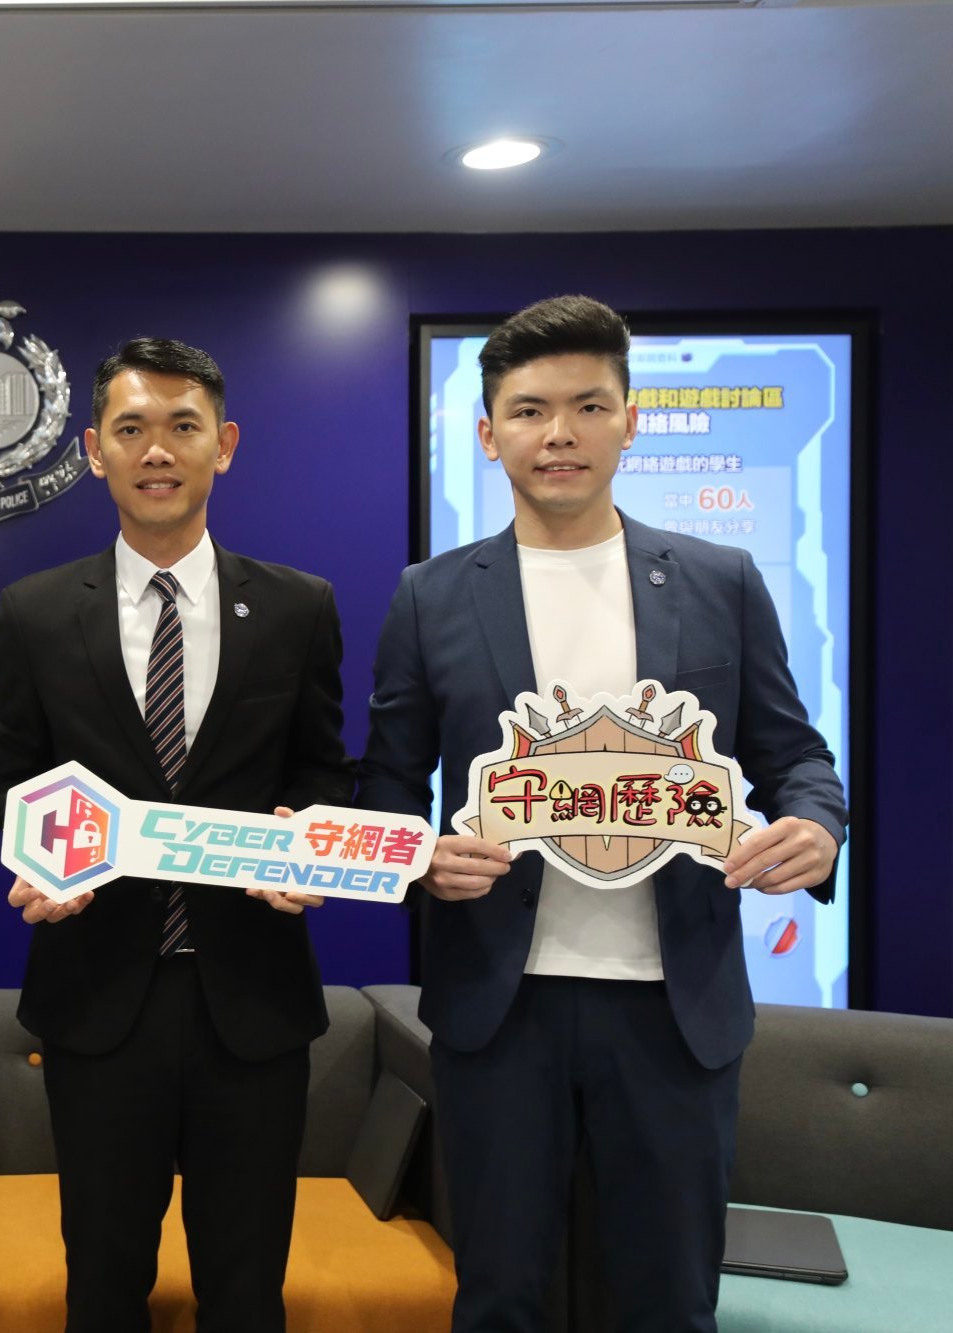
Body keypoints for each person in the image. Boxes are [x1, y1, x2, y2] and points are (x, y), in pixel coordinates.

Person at [356, 295, 847, 1331]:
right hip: (499, 1008)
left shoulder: (718, 581)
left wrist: (815, 825)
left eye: (587, 406)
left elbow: (792, 755)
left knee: (668, 1300)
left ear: (630, 420)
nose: (559, 433)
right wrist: (416, 858)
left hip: (672, 1011)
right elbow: (387, 788)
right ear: (488, 434)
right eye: (529, 410)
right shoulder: (430, 597)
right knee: (497, 1297)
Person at [0, 338, 352, 1331]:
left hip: (253, 997)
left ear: (221, 445)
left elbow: (322, 766)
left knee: (245, 1289)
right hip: (99, 998)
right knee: (103, 1284)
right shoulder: (33, 613)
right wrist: (35, 863)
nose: (158, 450)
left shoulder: (295, 606)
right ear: (93, 450)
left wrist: (308, 839)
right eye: (131, 429)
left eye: (182, 427)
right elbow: (17, 776)